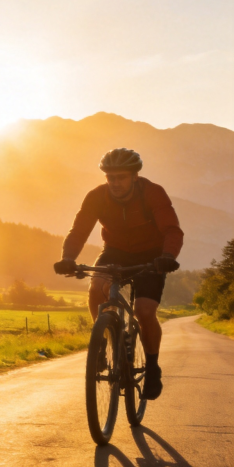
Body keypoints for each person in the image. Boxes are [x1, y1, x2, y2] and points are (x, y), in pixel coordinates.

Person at [54, 147, 183, 400]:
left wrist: (168, 257)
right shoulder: (97, 197)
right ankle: (101, 341)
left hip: (152, 256)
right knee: (96, 288)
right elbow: (79, 230)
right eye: (110, 178)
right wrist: (68, 258)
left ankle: (153, 367)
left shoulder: (152, 193)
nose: (114, 183)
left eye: (121, 177)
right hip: (115, 251)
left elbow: (172, 229)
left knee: (145, 311)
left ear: (135, 176)